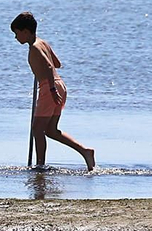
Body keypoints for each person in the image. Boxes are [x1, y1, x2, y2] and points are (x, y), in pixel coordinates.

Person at [11, 11, 95, 171]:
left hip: (50, 88)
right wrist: (39, 69)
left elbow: (50, 66)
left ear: (26, 32)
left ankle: (40, 165)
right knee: (50, 130)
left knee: (37, 128)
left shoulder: (35, 47)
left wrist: (49, 87)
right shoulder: (43, 43)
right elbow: (57, 63)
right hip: (60, 85)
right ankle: (85, 151)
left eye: (17, 33)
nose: (16, 38)